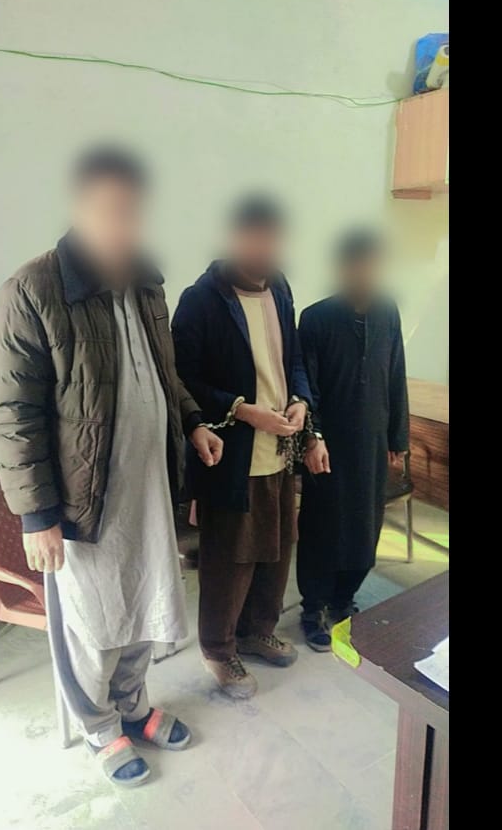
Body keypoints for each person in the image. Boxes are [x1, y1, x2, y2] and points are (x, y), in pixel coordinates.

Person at [0, 146, 224, 788]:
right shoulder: (33, 291)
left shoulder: (146, 282)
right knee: (93, 623)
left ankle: (135, 706)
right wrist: (37, 515)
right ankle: (99, 726)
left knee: (147, 603)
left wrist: (193, 422)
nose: (124, 226)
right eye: (110, 211)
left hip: (149, 487)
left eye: (133, 211)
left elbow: (163, 374)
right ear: (79, 208)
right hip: (82, 500)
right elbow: (14, 414)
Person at [172, 194, 313, 699]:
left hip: (280, 449)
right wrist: (241, 409)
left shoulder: (280, 288)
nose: (265, 251)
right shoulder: (201, 300)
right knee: (231, 559)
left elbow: (294, 360)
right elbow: (180, 378)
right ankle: (219, 649)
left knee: (277, 549)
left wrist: (300, 401)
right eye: (256, 240)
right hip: (231, 455)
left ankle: (257, 632)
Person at [296, 228, 409, 650]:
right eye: (357, 264)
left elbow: (395, 374)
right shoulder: (315, 319)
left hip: (372, 442)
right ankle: (313, 608)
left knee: (365, 527)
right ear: (343, 268)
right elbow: (305, 387)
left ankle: (344, 599)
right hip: (328, 446)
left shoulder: (388, 312)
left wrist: (398, 435)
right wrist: (313, 437)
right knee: (322, 527)